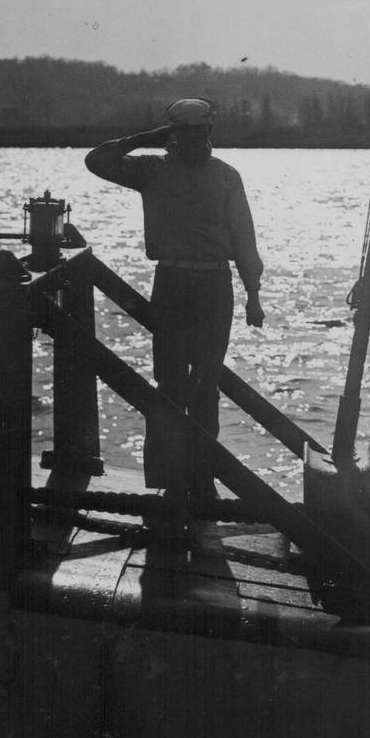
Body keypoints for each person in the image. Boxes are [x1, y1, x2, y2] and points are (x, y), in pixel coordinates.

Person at [85, 98, 264, 513]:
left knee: (206, 385)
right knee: (169, 384)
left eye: (205, 131)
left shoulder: (226, 177)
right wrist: (149, 136)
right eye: (191, 131)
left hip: (215, 284)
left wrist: (253, 293)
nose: (201, 139)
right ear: (174, 135)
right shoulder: (151, 169)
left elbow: (243, 235)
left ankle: (202, 480)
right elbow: (96, 160)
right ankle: (169, 479)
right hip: (173, 281)